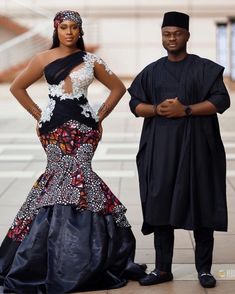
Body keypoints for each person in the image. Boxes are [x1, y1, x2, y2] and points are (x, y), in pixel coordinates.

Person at [0, 10, 146, 293]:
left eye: (74, 27)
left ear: (80, 31)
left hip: (84, 128)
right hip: (53, 129)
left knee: (81, 178)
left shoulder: (92, 61)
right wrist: (38, 116)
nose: (69, 32)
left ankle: (81, 253)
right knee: (56, 179)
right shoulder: (42, 58)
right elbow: (17, 88)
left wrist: (99, 116)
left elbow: (118, 88)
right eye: (64, 27)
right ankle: (55, 252)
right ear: (57, 29)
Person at [128, 11, 230, 289]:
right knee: (160, 201)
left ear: (187, 35)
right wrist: (156, 109)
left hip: (199, 149)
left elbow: (221, 100)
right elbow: (135, 103)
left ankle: (205, 270)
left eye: (177, 33)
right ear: (162, 36)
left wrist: (185, 109)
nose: (171, 38)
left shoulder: (204, 68)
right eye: (166, 33)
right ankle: (163, 269)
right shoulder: (152, 71)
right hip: (161, 150)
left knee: (202, 204)